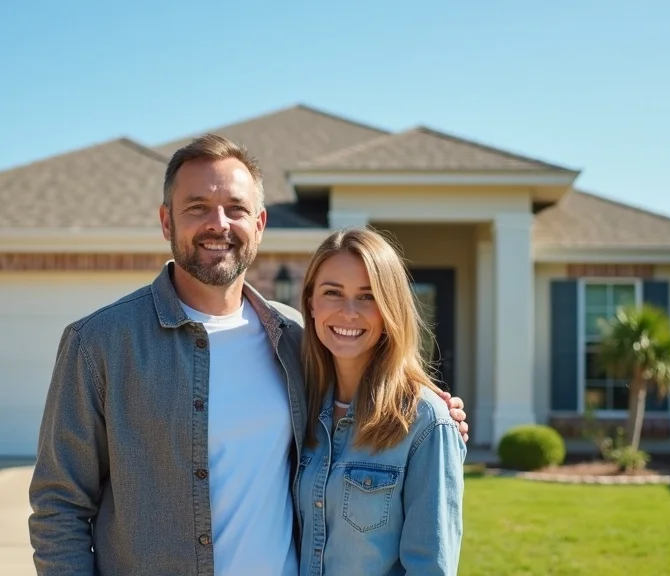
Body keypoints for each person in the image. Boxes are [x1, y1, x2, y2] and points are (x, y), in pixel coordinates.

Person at [28, 133, 469, 576]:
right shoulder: (99, 344)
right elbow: (59, 506)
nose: (218, 224)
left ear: (259, 224)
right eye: (196, 206)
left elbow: (371, 384)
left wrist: (435, 410)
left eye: (235, 209)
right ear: (166, 222)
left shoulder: (294, 337)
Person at [294, 228, 465, 575]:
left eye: (368, 296)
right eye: (332, 292)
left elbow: (430, 568)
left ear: (390, 309)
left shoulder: (425, 422)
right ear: (311, 301)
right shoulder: (300, 406)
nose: (348, 312)